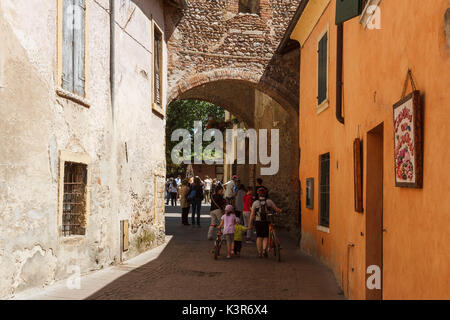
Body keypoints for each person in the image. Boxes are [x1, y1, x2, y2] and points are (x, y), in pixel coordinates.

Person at [249, 187, 282, 258]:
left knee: (259, 237)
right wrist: (281, 210)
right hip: (266, 221)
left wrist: (250, 223)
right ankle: (264, 250)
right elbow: (276, 209)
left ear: (258, 195)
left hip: (258, 221)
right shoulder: (269, 201)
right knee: (265, 237)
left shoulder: (255, 203)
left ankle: (259, 253)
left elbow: (252, 214)